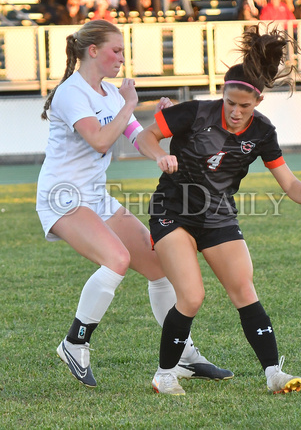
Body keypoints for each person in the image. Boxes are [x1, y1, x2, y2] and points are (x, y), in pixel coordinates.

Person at [36, 20, 233, 389]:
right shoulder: (71, 92)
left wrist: (165, 131)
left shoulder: (110, 94)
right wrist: (129, 103)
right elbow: (98, 140)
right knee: (118, 259)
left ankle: (184, 355)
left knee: (160, 265)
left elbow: (137, 136)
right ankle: (74, 342)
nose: (121, 59)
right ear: (92, 51)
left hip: (96, 197)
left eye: (123, 51)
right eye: (116, 50)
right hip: (62, 197)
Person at [136, 24, 301, 396]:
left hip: (218, 214)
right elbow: (146, 136)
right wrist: (161, 155)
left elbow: (288, 181)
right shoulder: (193, 113)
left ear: (257, 103)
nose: (237, 112)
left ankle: (273, 372)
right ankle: (164, 374)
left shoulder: (263, 131)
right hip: (172, 211)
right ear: (222, 94)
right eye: (231, 103)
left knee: (244, 289)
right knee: (191, 296)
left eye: (245, 106)